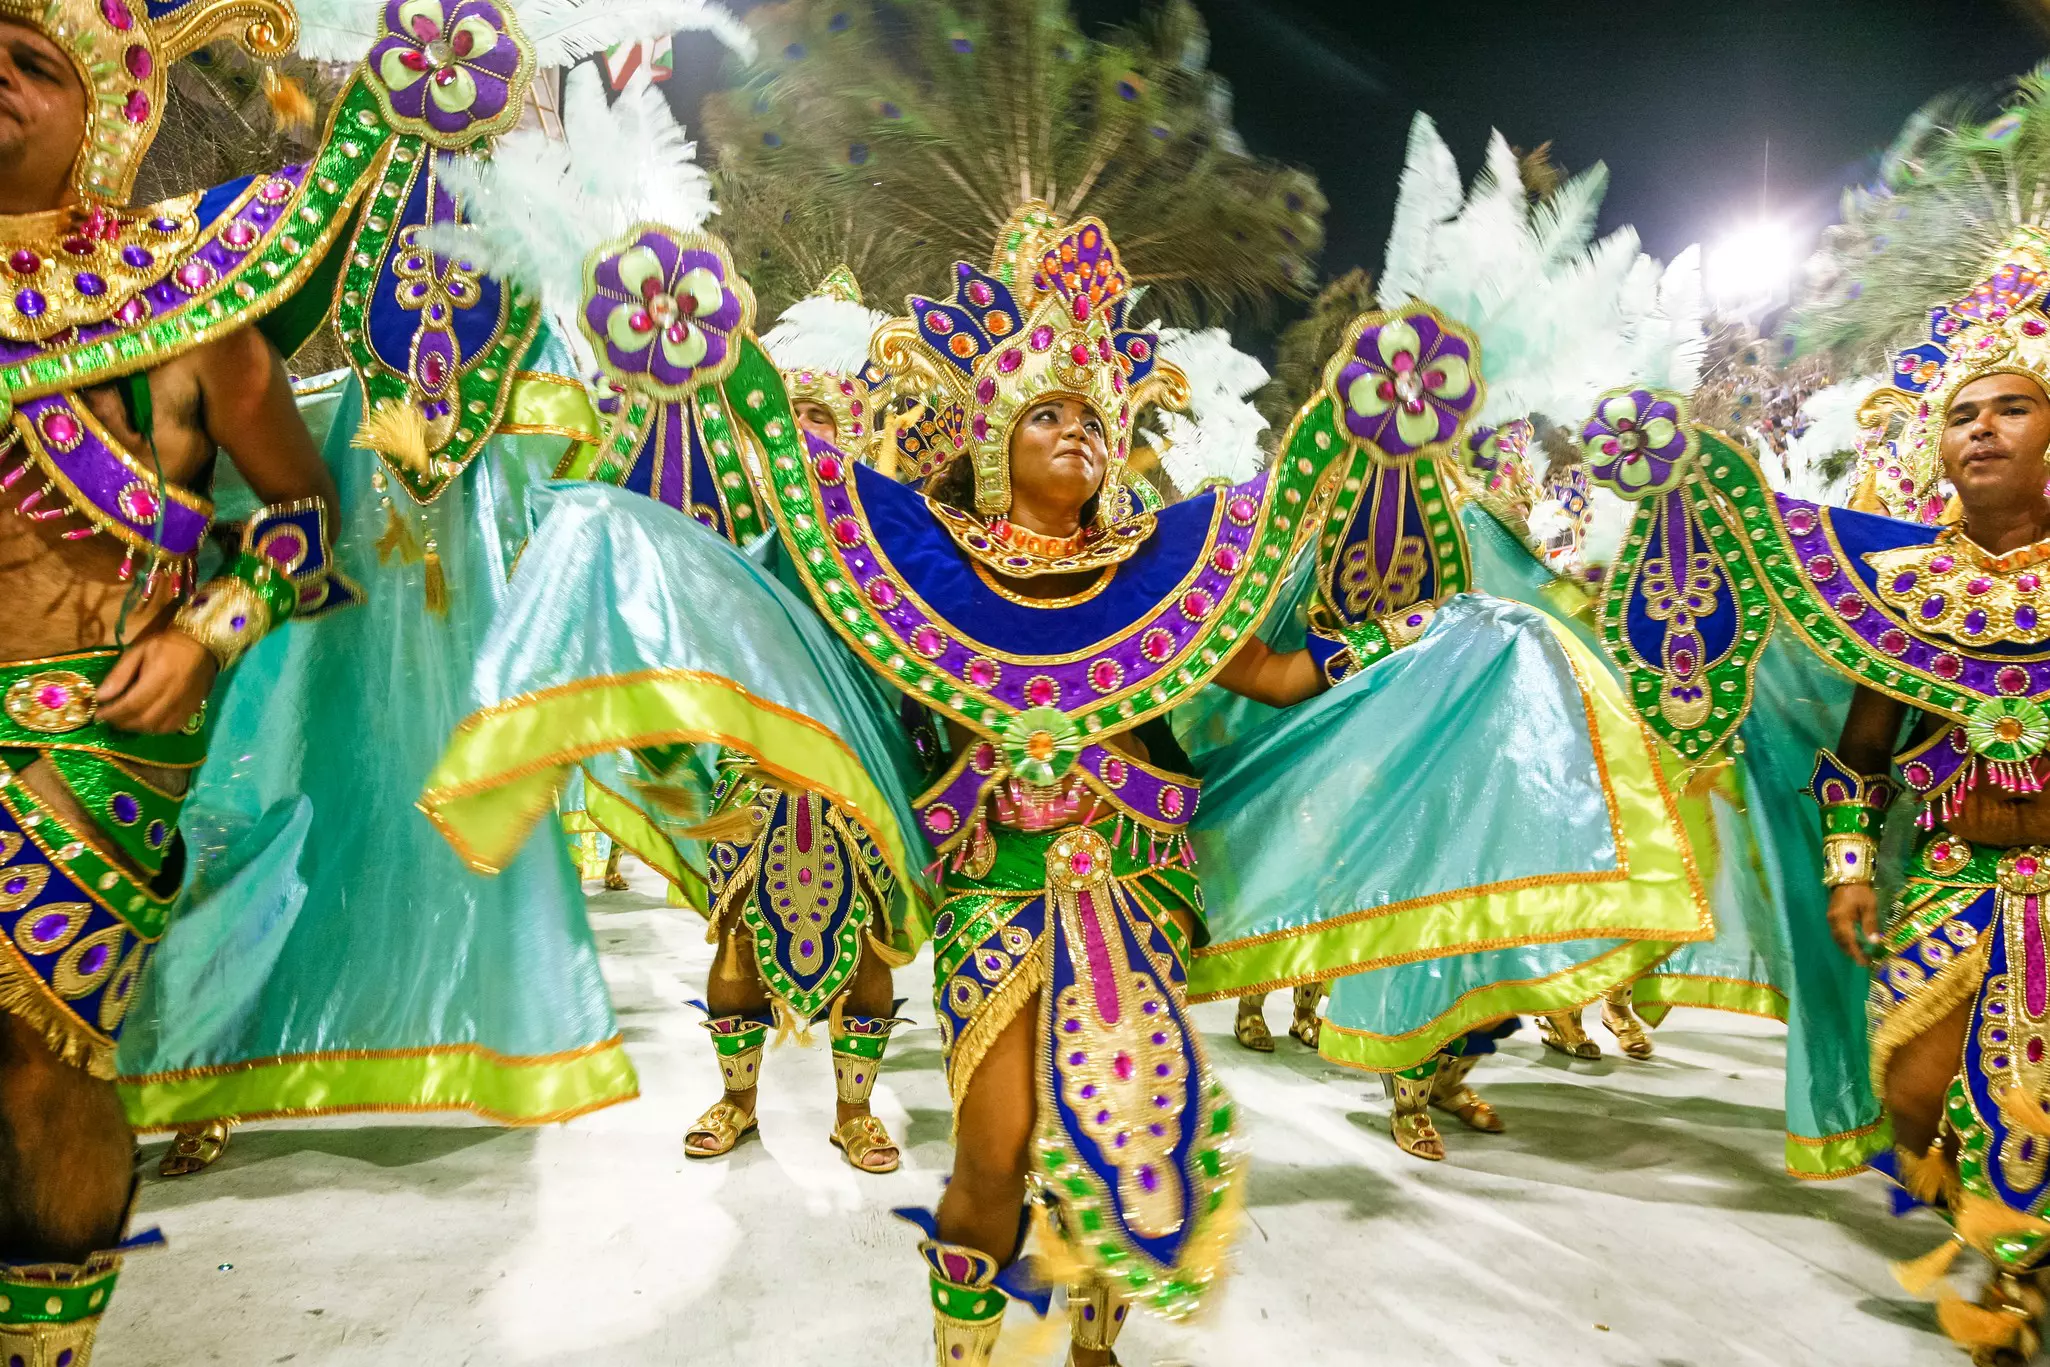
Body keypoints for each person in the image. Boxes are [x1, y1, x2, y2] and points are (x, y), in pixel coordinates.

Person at [0, 0, 364, 1354]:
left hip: (87, 738)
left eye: (36, 61)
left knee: (40, 1050)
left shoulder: (187, 307)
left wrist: (204, 631)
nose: (2, 72)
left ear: (108, 123)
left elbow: (300, 523)